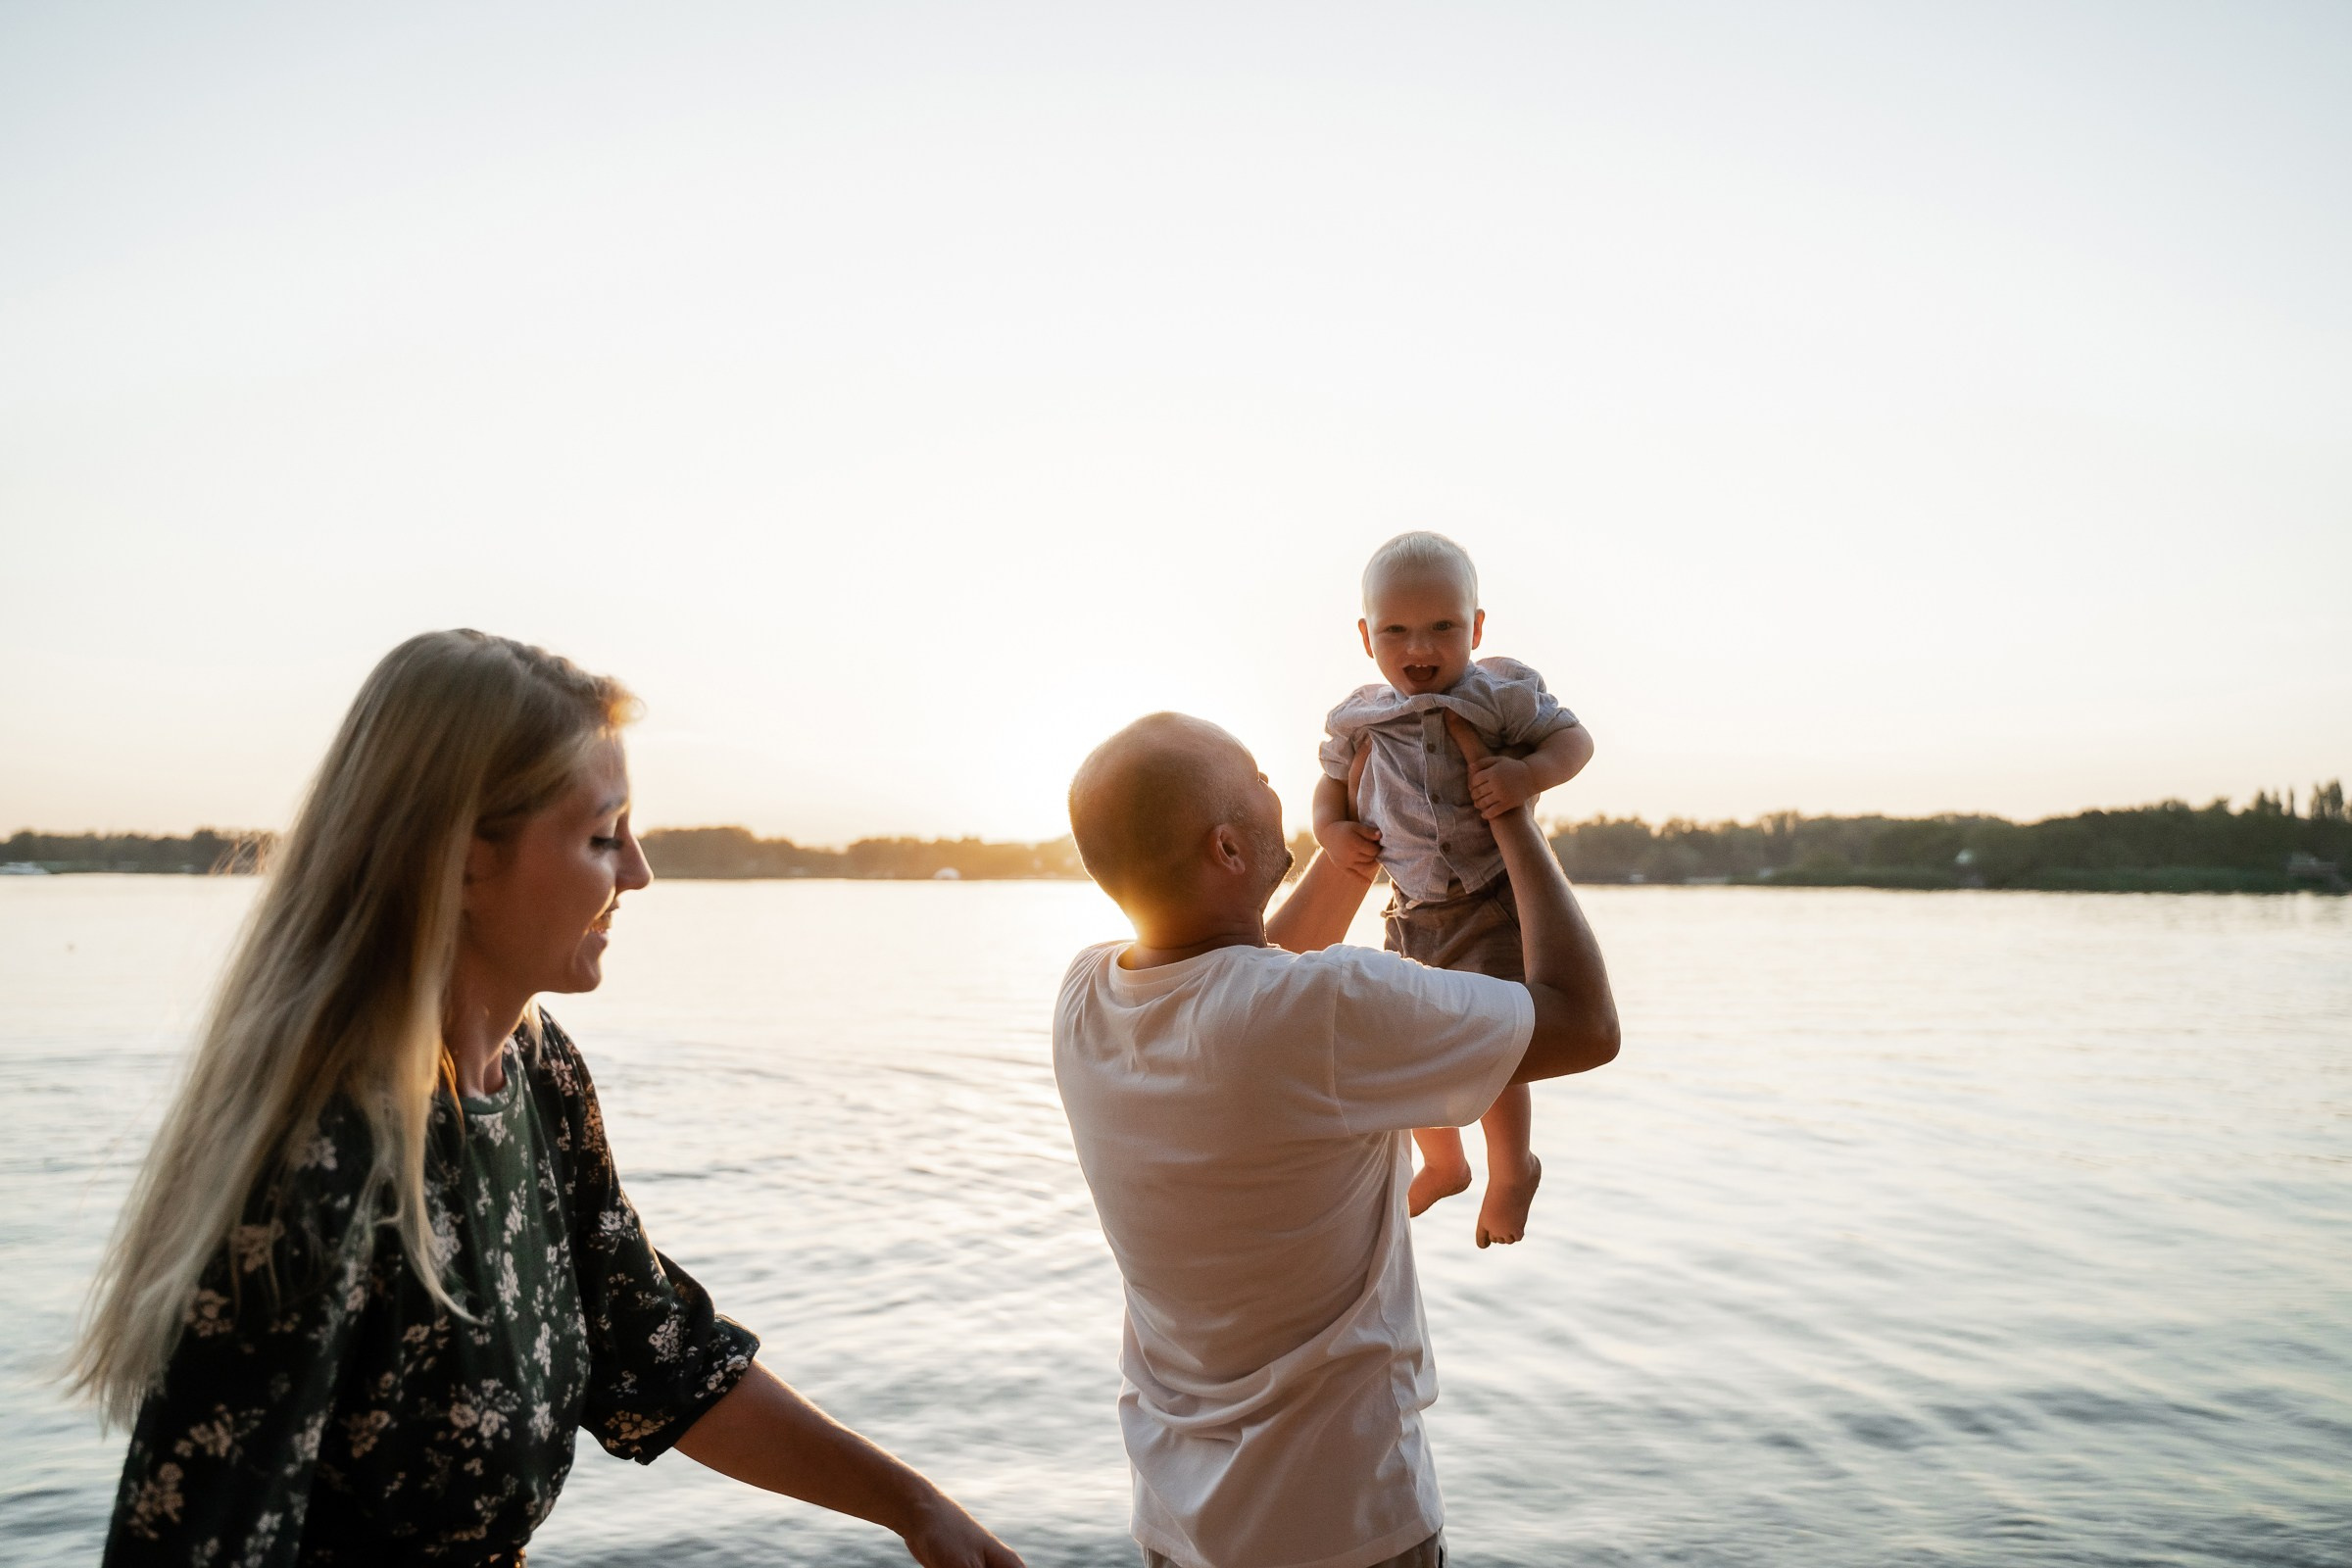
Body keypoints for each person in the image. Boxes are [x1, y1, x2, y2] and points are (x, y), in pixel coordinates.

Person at [70, 630, 1024, 1568]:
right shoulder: (322, 1160)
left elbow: (656, 1357)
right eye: (604, 836)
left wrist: (916, 1507)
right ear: (465, 856)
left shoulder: (538, 1072)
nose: (639, 873)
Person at [1054, 711, 1619, 1568]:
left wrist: (1345, 859)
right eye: (1253, 775)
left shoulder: (1084, 997)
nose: (1275, 786)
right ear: (1227, 850)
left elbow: (1243, 975)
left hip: (1178, 1524)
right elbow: (1584, 1025)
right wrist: (1513, 817)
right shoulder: (1321, 1009)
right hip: (1345, 1526)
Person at [1313, 530, 1594, 1247]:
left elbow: (1573, 741)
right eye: (1396, 631)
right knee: (1406, 1044)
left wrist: (1529, 776)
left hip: (1490, 899)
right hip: (1409, 906)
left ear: (1474, 627)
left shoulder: (1496, 694)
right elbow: (1329, 784)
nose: (1421, 647)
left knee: (1497, 1044)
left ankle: (1511, 1169)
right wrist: (1331, 830)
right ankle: (1444, 1161)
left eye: (1443, 627)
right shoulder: (1360, 716)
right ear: (1365, 637)